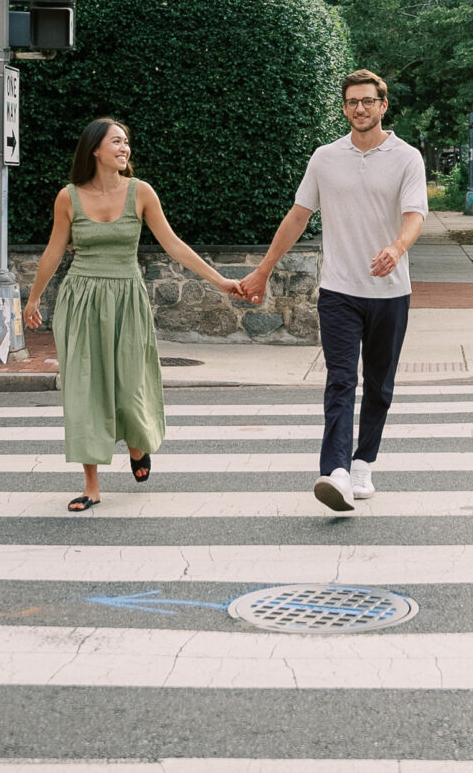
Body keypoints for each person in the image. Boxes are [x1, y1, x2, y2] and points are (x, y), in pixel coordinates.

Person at [25, 117, 247, 511]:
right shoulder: (69, 197)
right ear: (95, 149)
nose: (125, 148)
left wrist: (221, 281)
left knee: (131, 383)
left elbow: (174, 245)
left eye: (127, 142)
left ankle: (137, 444)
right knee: (84, 388)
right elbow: (54, 251)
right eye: (117, 142)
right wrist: (33, 299)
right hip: (81, 300)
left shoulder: (141, 193)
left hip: (127, 299)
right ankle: (91, 485)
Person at [240, 70, 426, 513]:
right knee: (341, 379)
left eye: (368, 101)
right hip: (339, 290)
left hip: (390, 291)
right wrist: (264, 270)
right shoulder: (325, 158)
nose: (360, 108)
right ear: (343, 108)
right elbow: (298, 216)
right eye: (351, 102)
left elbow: (415, 214)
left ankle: (363, 462)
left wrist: (398, 248)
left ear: (383, 105)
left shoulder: (407, 157)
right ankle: (335, 471)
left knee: (379, 384)